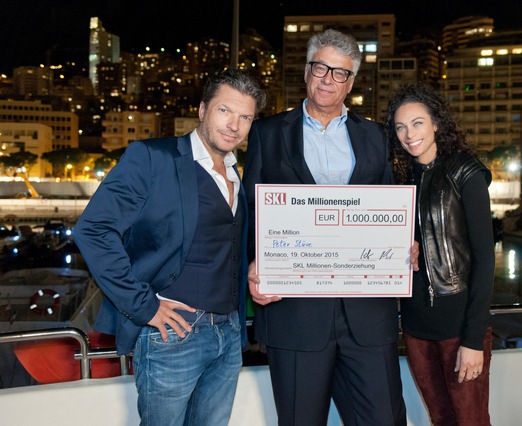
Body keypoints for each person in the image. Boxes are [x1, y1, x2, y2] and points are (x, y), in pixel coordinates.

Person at [73, 69, 266, 426]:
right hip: (172, 336)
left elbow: (227, 246)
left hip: (228, 335)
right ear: (202, 109)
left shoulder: (236, 173)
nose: (234, 125)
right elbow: (93, 229)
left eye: (245, 117)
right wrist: (142, 305)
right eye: (225, 110)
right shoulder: (152, 158)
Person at [243, 28, 412, 426]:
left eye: (340, 73)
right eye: (320, 68)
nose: (328, 80)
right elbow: (250, 210)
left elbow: (391, 208)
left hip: (367, 316)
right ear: (307, 71)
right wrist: (253, 263)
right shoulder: (267, 133)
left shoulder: (377, 137)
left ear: (351, 82)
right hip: (294, 315)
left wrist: (407, 243)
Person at [384, 82, 495, 426]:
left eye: (417, 123)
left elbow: (485, 258)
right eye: (400, 127)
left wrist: (473, 339)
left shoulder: (465, 171)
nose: (409, 134)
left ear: (436, 123)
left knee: (471, 421)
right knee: (441, 419)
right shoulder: (401, 180)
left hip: (458, 326)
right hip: (416, 327)